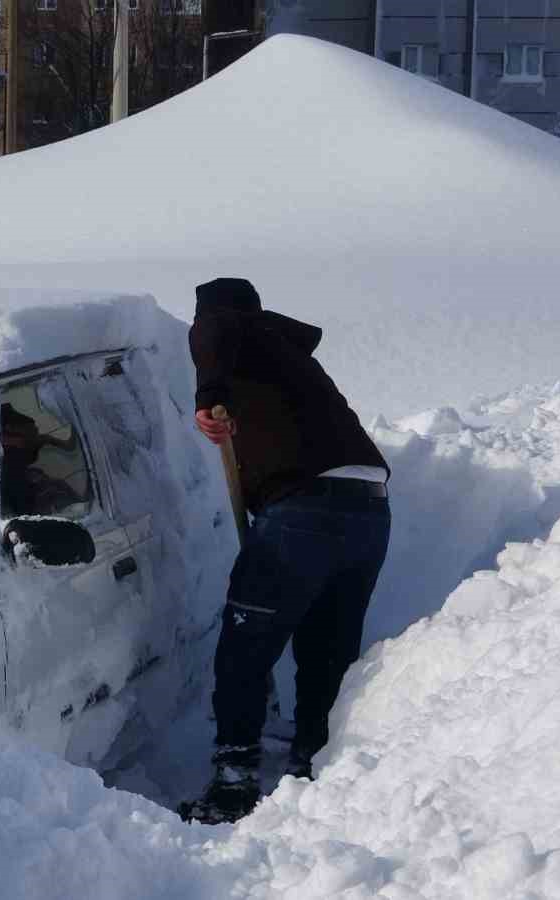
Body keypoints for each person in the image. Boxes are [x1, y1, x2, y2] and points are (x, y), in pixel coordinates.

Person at [179, 277, 392, 825]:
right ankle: (314, 764)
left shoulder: (229, 329)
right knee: (326, 650)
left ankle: (234, 783)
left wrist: (208, 398)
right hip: (368, 510)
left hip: (303, 511)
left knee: (246, 648)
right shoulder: (291, 361)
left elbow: (215, 328)